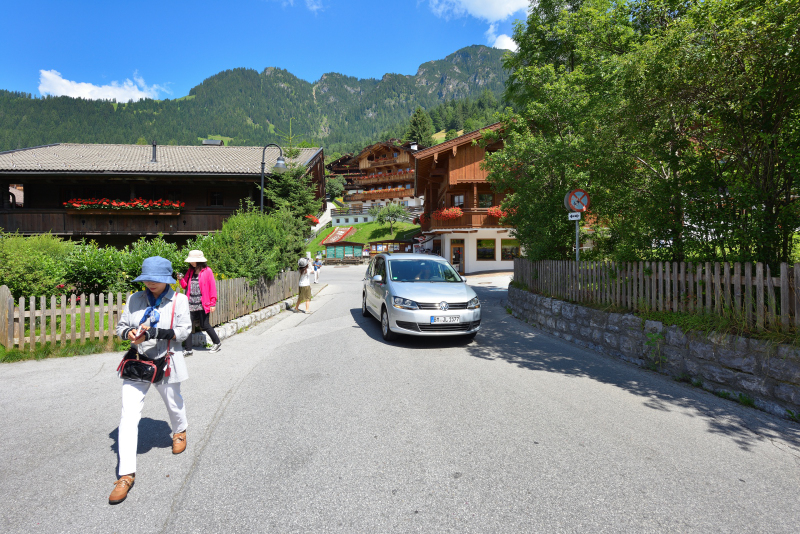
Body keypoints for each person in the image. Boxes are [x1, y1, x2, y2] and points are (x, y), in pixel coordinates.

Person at [111, 256, 191, 505]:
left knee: (174, 403)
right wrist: (130, 333)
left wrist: (153, 332)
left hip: (167, 362)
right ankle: (126, 474)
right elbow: (120, 327)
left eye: (156, 279)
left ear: (167, 279)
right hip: (138, 363)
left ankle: (179, 431)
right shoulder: (135, 299)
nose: (150, 283)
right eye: (147, 278)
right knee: (128, 416)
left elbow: (184, 331)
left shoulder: (179, 300)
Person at [179, 250, 221, 354]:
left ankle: (217, 342)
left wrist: (212, 303)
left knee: (205, 325)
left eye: (192, 260)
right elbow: (184, 285)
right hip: (190, 303)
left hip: (203, 303)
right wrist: (180, 279)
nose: (191, 262)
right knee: (188, 325)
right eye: (190, 261)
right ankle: (188, 350)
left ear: (199, 261)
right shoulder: (190, 271)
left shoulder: (207, 271)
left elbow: (212, 287)